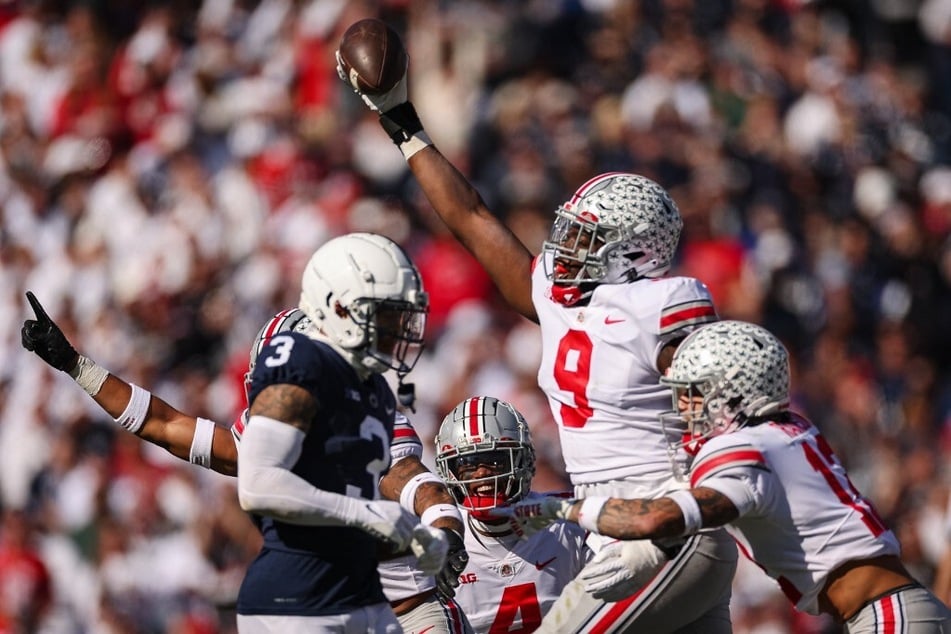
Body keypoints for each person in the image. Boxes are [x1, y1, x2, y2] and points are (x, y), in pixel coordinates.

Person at [337, 42, 736, 632]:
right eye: (569, 230)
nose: (565, 246)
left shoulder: (663, 302)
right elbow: (472, 218)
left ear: (631, 254)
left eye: (584, 237)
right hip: (620, 537)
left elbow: (727, 403)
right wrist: (400, 120)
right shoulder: (557, 298)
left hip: (663, 532)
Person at [20, 232, 469, 633]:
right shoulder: (267, 433)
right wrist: (78, 367)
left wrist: (445, 529)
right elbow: (164, 424)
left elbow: (413, 480)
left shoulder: (364, 413)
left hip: (406, 614)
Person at [504, 320, 951, 633]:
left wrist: (561, 509)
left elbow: (657, 518)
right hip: (891, 610)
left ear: (732, 393)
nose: (682, 409)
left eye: (692, 395)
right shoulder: (784, 430)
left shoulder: (744, 446)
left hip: (887, 616)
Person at [435, 396, 592, 632]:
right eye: (468, 463)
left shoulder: (567, 520)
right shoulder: (439, 539)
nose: (481, 474)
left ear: (523, 461)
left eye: (495, 460)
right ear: (450, 471)